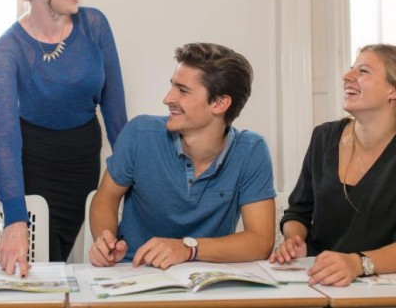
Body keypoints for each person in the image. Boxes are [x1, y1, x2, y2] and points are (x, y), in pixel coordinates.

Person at [0, 0, 127, 274]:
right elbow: (4, 140)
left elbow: (115, 113)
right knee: (37, 268)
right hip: (34, 166)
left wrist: (132, 182)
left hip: (83, 163)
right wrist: (15, 218)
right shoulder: (6, 51)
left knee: (65, 260)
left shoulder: (94, 25)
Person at [270, 43, 396, 286]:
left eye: (363, 71)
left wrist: (357, 264)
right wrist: (295, 240)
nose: (347, 76)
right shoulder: (323, 137)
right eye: (350, 69)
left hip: (384, 288)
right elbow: (298, 213)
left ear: (394, 90)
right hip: (315, 281)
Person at [89, 43, 275, 269]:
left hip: (208, 277)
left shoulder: (251, 150)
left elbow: (260, 242)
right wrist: (107, 242)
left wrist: (188, 249)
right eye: (172, 86)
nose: (168, 98)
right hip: (134, 271)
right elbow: (105, 199)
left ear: (219, 103)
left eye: (183, 90)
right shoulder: (139, 133)